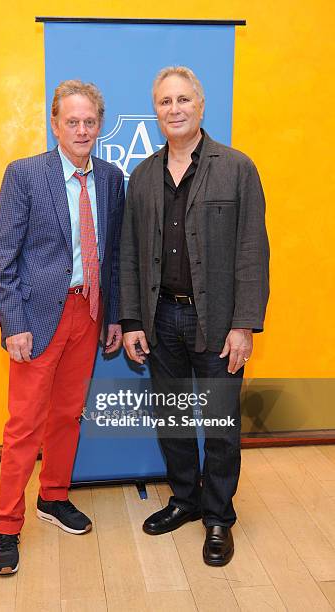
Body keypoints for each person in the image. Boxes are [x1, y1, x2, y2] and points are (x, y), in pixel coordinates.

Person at [120, 66, 269, 566]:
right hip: (160, 321)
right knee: (174, 420)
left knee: (222, 425)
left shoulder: (237, 167)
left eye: (184, 99)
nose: (175, 108)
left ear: (201, 107)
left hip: (219, 324)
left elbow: (252, 251)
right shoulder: (142, 177)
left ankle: (218, 516)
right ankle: (185, 498)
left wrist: (244, 324)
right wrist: (134, 321)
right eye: (165, 101)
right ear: (156, 111)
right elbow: (130, 256)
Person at [0, 80, 124, 574]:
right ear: (55, 124)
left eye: (90, 122)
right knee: (24, 425)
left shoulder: (110, 179)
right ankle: (6, 525)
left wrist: (112, 315)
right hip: (37, 319)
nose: (82, 129)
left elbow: (113, 257)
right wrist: (13, 323)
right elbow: (2, 257)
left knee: (68, 415)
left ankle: (54, 496)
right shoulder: (25, 175)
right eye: (73, 121)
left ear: (99, 125)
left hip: (88, 314)